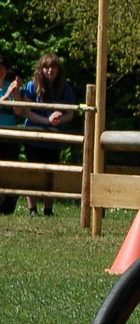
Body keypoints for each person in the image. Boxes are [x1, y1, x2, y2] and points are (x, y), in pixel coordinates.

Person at [21, 52, 79, 216]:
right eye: (46, 67)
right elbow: (26, 111)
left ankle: (48, 209)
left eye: (53, 67)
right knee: (32, 172)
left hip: (54, 138)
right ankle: (32, 209)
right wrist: (47, 121)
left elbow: (71, 112)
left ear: (58, 70)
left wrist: (59, 119)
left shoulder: (64, 88)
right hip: (33, 136)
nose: (50, 70)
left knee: (50, 174)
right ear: (41, 69)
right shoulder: (32, 86)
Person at [0, 57, 19, 215]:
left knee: (10, 171)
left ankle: (7, 207)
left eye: (2, 68)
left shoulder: (10, 87)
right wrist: (6, 95)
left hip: (10, 136)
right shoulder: (7, 90)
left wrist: (16, 92)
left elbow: (19, 111)